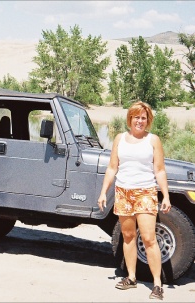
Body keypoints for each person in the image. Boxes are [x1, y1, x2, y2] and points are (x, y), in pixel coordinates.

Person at [97, 101, 171, 300]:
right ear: (130, 119)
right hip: (123, 192)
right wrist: (104, 192)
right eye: (136, 117)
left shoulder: (153, 140)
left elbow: (160, 170)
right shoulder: (120, 138)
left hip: (145, 192)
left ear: (148, 121)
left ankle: (157, 284)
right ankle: (131, 277)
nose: (140, 121)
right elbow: (112, 167)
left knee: (148, 238)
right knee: (128, 236)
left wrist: (165, 195)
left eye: (143, 118)